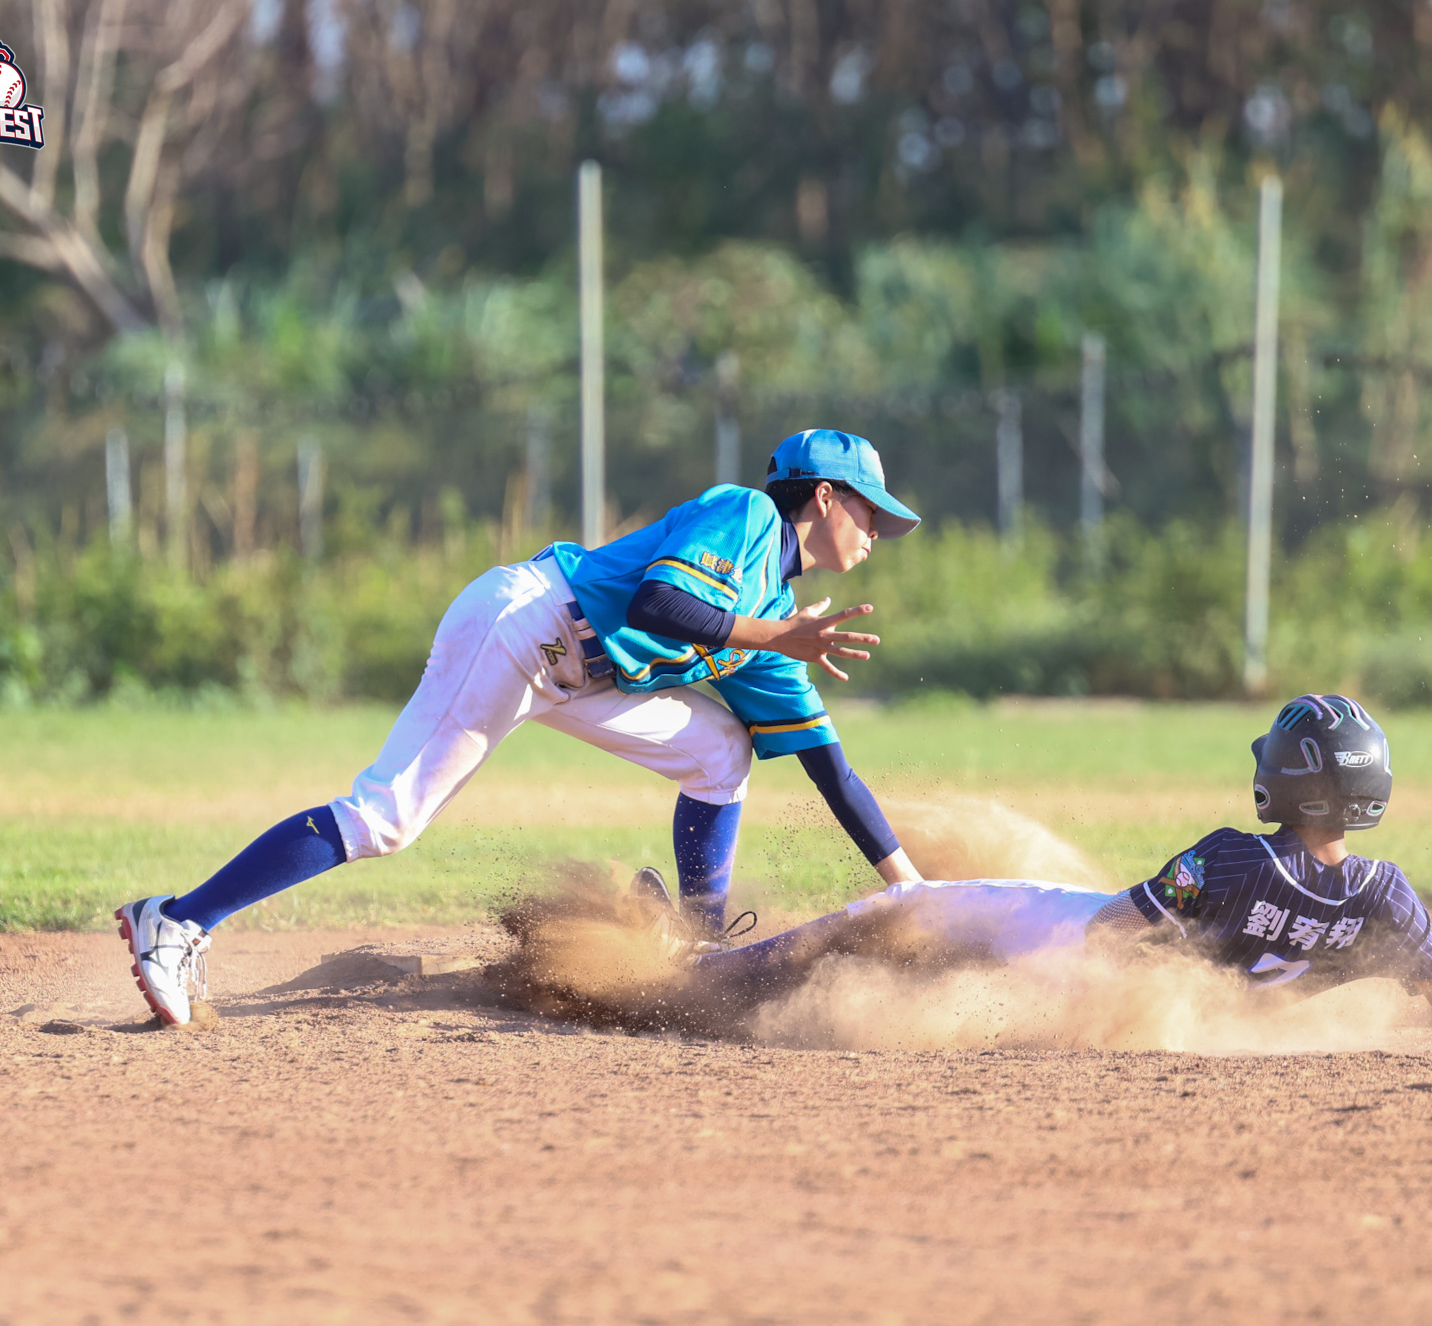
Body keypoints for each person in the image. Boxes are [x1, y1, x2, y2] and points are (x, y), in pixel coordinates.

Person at [116, 429, 927, 1026]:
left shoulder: (780, 622)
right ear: (824, 495)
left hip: (580, 672)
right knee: (389, 816)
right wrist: (772, 634)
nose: (875, 532)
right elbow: (657, 604)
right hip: (523, 622)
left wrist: (912, 888)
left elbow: (833, 772)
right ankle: (179, 918)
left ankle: (697, 948)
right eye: (870, 513)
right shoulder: (748, 517)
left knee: (721, 750)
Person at [655, 694, 1432, 1030]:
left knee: (895, 913)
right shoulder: (1389, 899)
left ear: (1287, 782)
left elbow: (1111, 931)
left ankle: (698, 973)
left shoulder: (1227, 859)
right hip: (1147, 1006)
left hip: (1068, 946)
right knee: (920, 950)